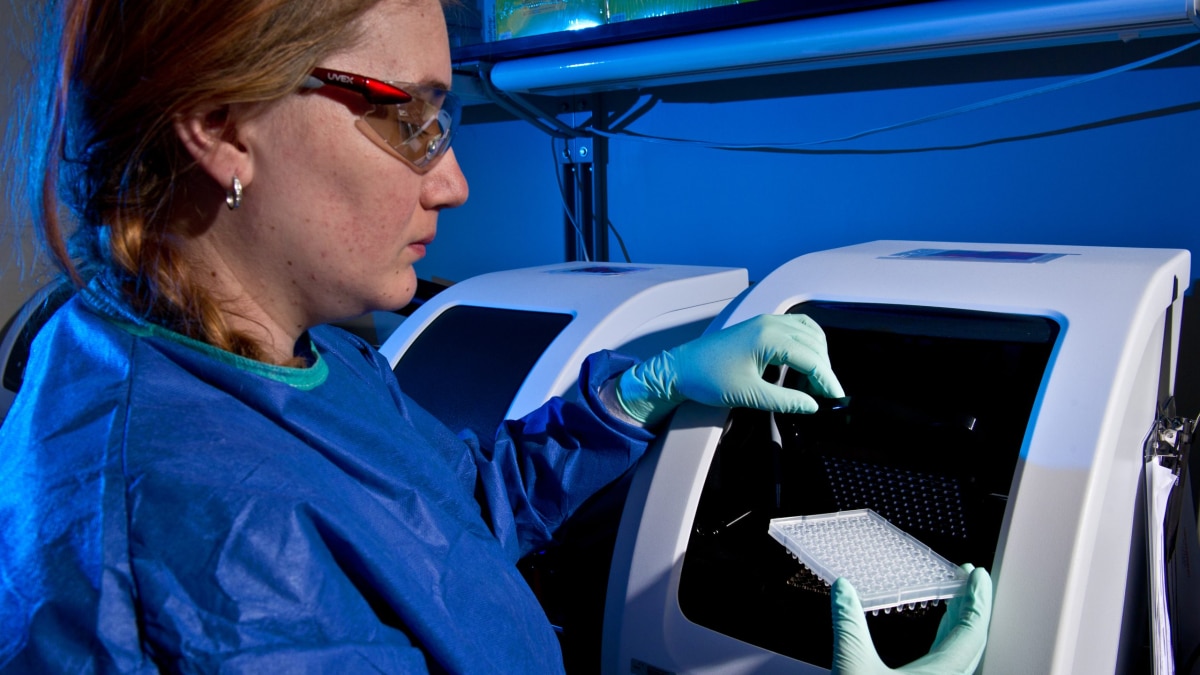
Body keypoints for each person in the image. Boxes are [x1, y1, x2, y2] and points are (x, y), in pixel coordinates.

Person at [0, 0, 990, 671]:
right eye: (409, 120)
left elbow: (447, 518)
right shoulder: (216, 565)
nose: (453, 183)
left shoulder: (267, 343)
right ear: (220, 121)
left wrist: (639, 388)